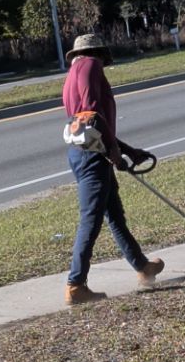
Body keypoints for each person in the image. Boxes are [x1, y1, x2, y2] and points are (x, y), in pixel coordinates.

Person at [60, 33, 164, 306]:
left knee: (114, 215)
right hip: (93, 156)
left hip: (88, 151)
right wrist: (115, 152)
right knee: (91, 220)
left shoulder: (72, 74)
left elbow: (86, 123)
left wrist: (128, 151)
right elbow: (93, 116)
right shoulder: (90, 65)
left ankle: (143, 267)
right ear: (99, 53)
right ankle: (75, 284)